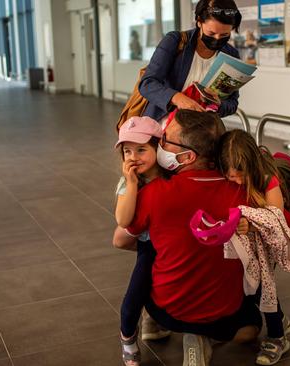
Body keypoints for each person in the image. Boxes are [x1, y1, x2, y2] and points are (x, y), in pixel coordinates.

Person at [113, 110, 262, 366]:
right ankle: (208, 336)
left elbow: (120, 239)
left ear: (187, 156)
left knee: (148, 257)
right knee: (252, 328)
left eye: (166, 140)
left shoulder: (156, 192)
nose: (159, 144)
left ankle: (168, 328)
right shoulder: (242, 190)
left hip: (170, 311)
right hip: (224, 314)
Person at [217, 129, 290, 365]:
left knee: (263, 287)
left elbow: (275, 216)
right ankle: (280, 320)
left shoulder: (268, 178)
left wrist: (252, 224)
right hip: (245, 245)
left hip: (268, 243)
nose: (237, 181)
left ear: (253, 165)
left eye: (241, 176)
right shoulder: (231, 175)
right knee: (252, 289)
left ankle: (278, 337)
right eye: (231, 178)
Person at [114, 116, 170, 366]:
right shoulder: (129, 183)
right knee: (134, 297)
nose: (133, 156)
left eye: (141, 149)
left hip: (173, 242)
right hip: (149, 246)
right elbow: (124, 220)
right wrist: (133, 183)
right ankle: (128, 338)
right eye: (127, 151)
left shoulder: (171, 176)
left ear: (158, 147)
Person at [139, 0, 242, 123]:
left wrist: (219, 104)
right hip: (163, 124)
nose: (217, 39)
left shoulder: (231, 55)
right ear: (199, 22)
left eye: (224, 35)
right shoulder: (175, 41)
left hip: (200, 129)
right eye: (211, 33)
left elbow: (232, 104)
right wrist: (177, 98)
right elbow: (147, 84)